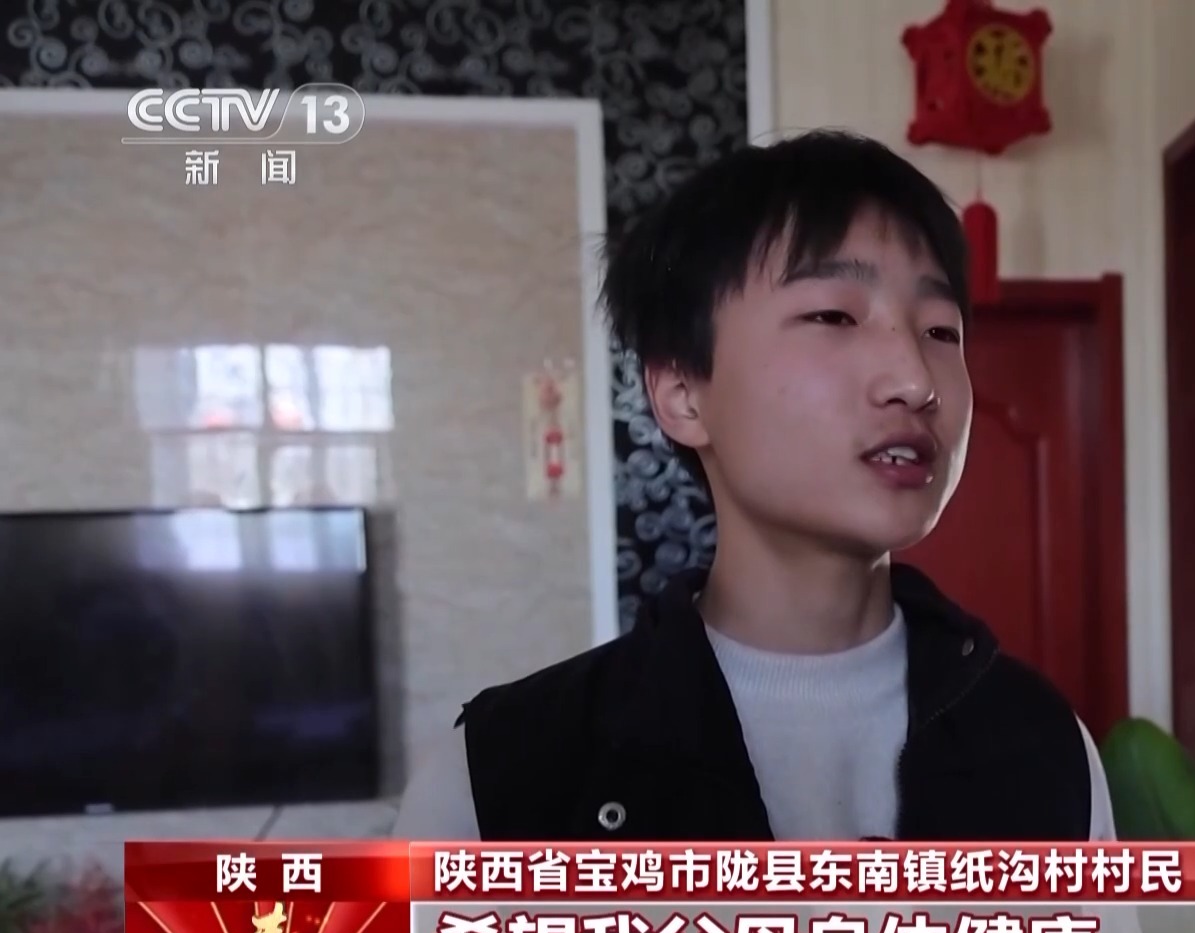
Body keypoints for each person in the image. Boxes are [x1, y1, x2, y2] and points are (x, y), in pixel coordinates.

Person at [393, 130, 1123, 847]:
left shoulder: (1047, 750)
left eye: (940, 331)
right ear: (682, 394)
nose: (913, 380)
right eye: (834, 316)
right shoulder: (493, 785)